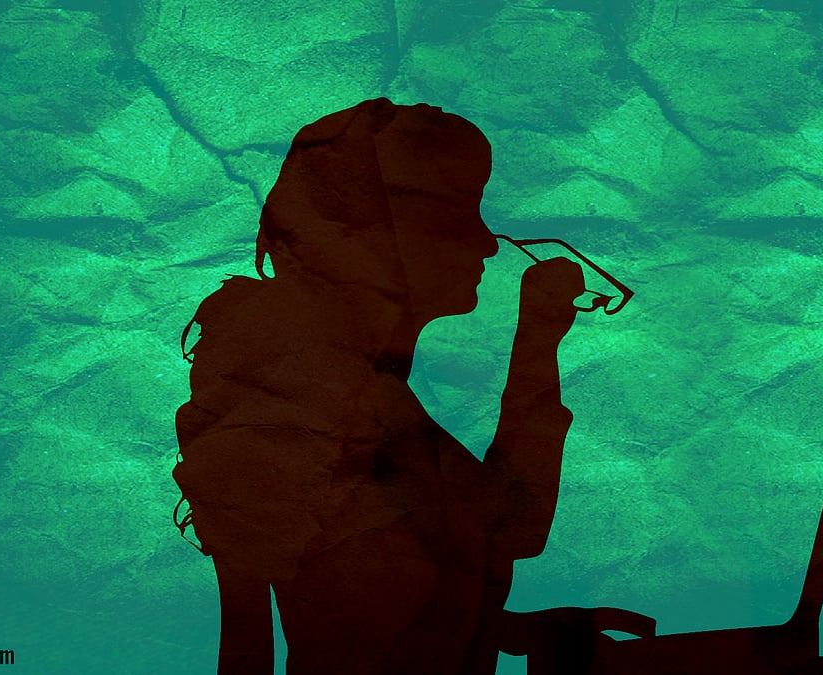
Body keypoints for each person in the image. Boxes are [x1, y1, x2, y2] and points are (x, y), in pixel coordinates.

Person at [173, 98, 585, 674]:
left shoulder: (369, 396)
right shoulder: (310, 401)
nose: (488, 242)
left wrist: (518, 631)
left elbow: (489, 538)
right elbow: (267, 638)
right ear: (380, 233)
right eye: (458, 214)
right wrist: (537, 342)